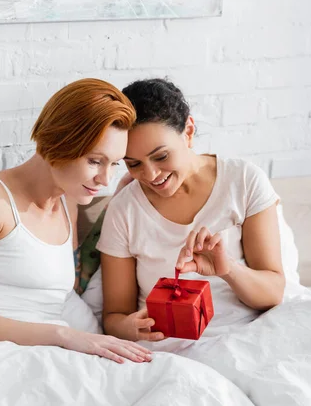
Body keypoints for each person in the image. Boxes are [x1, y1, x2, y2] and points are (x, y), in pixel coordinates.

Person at [0, 78, 152, 364]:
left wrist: (118, 206)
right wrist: (63, 336)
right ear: (59, 140)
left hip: (56, 352)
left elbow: (64, 285)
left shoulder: (68, 199)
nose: (105, 180)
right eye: (94, 161)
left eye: (114, 164)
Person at [98, 78, 285, 344]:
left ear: (188, 131)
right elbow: (114, 317)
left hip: (243, 337)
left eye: (161, 156)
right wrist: (132, 328)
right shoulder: (124, 209)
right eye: (134, 164)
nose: (150, 175)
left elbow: (273, 293)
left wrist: (227, 268)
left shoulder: (243, 180)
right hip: (166, 347)